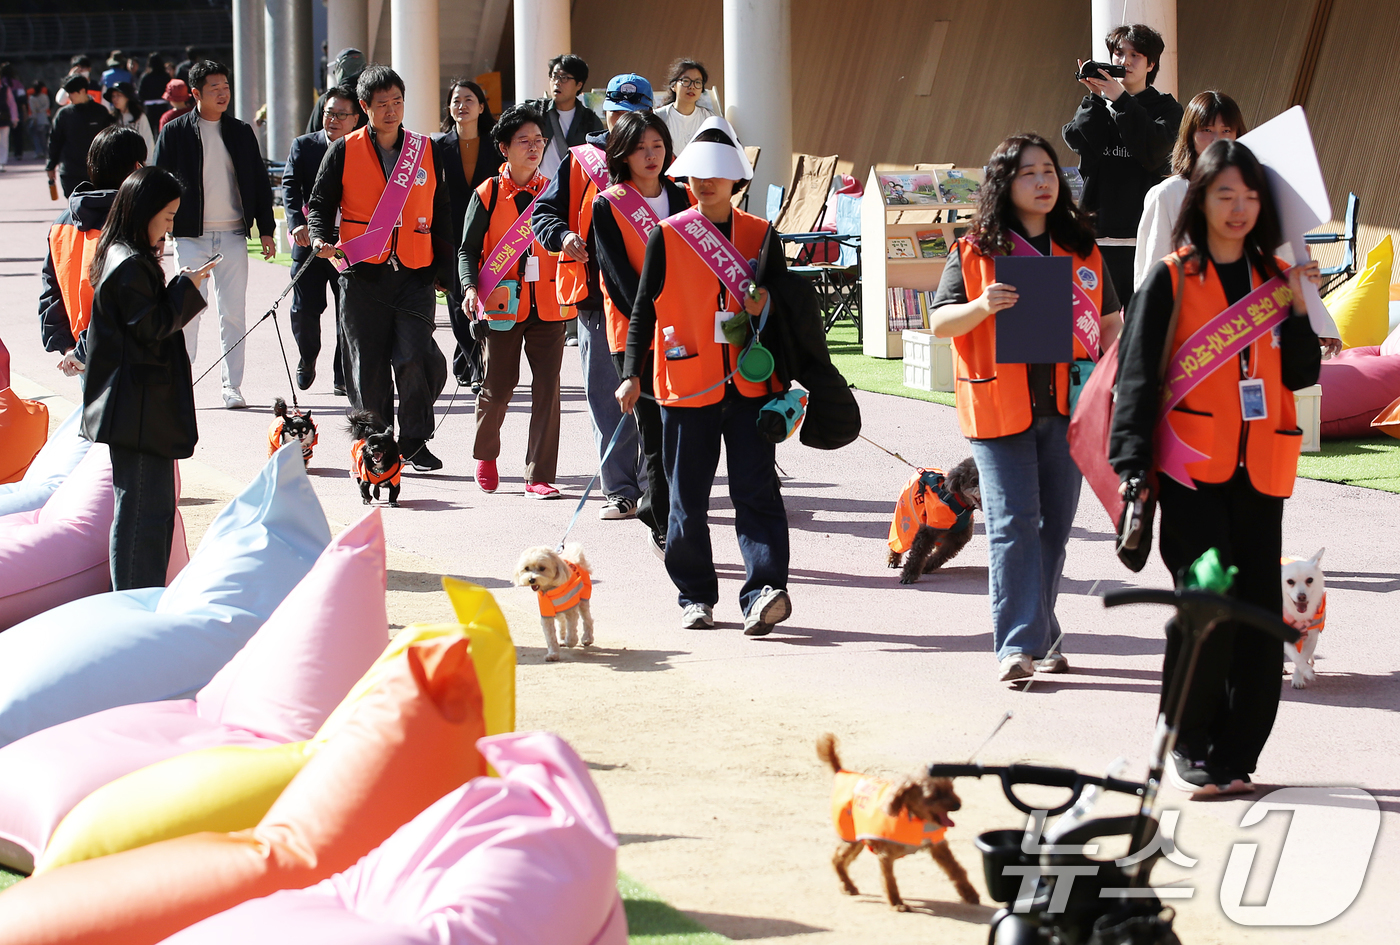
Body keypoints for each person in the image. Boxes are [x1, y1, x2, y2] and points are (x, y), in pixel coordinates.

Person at [1110, 139, 1321, 796]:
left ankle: (1236, 751)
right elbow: (1138, 378)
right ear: (1199, 197)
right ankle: (1188, 740)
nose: (1239, 208)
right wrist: (1134, 467)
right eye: (1226, 194)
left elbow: (1303, 372)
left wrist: (1304, 307)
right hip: (1191, 472)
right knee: (1208, 605)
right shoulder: (1172, 277)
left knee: (1258, 618)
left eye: (1251, 196)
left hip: (1263, 469)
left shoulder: (1275, 282)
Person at [927, 132, 1124, 682]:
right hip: (997, 409)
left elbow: (1111, 322)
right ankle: (1016, 646)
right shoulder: (974, 250)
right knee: (1014, 522)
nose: (1042, 182)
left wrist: (1115, 367)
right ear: (1004, 184)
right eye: (1028, 173)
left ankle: (1043, 631)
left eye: (1049, 172)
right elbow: (940, 321)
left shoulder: (1082, 248)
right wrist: (981, 305)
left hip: (1069, 410)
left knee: (1054, 527)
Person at [615, 117, 793, 636]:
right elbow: (643, 310)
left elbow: (789, 312)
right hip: (685, 384)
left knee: (755, 490)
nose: (706, 184)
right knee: (685, 496)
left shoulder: (762, 236)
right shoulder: (667, 237)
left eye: (718, 175)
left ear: (736, 179)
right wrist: (631, 373)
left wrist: (767, 304)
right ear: (687, 180)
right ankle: (695, 595)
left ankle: (765, 591)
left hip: (750, 384)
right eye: (697, 176)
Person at [308, 64, 452, 472]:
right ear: (365, 107)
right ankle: (375, 443)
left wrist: (446, 268)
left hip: (415, 271)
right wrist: (320, 239)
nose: (392, 111)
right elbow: (319, 204)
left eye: (398, 102)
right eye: (383, 104)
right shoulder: (344, 149)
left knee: (414, 355)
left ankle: (414, 441)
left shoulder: (426, 148)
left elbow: (441, 208)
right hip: (362, 273)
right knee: (366, 364)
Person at [81, 165, 217, 590]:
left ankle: (140, 600)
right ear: (145, 212)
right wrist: (186, 287)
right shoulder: (130, 264)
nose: (170, 228)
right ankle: (134, 604)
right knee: (143, 513)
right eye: (168, 217)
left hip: (138, 409)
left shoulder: (123, 254)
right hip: (137, 411)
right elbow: (151, 327)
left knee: (148, 511)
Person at [532, 73, 655, 526]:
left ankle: (655, 484)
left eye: (634, 113)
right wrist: (562, 235)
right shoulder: (580, 161)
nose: (624, 121)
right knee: (607, 396)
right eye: (617, 113)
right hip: (594, 299)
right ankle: (622, 490)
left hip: (653, 297)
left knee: (656, 394)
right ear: (605, 113)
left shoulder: (663, 159)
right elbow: (543, 211)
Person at [457, 104, 570, 497]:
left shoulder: (555, 189)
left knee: (548, 388)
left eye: (539, 140)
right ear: (504, 147)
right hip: (502, 303)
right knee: (499, 385)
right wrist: (470, 288)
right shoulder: (486, 193)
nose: (534, 147)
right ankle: (485, 455)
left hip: (550, 303)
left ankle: (538, 474)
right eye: (524, 141)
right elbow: (467, 250)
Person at [592, 110, 690, 552]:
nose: (651, 156)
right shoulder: (608, 203)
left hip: (686, 328)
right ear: (623, 155)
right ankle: (662, 519)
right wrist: (657, 312)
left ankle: (674, 510)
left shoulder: (686, 195)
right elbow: (616, 278)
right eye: (639, 148)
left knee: (684, 426)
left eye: (657, 146)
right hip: (634, 330)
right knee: (652, 428)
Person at [153, 59, 276, 410]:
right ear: (195, 94)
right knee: (188, 312)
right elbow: (158, 185)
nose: (223, 94)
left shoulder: (240, 131)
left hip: (234, 235)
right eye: (214, 89)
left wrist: (266, 229)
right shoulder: (174, 132)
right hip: (191, 237)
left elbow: (257, 184)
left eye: (225, 87)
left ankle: (232, 386)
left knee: (233, 312)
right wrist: (159, 234)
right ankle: (181, 382)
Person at [1062, 22, 1182, 310]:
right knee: (1094, 318)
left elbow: (1153, 152)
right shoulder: (1098, 104)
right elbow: (1078, 141)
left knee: (1139, 320)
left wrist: (1121, 100)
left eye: (1135, 56)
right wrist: (1095, 96)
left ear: (1151, 63)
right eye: (1118, 54)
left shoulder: (1167, 109)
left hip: (1142, 234)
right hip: (1096, 232)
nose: (1124, 62)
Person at [40, 125, 149, 377]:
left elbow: (51, 291)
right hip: (125, 347)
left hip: (80, 351)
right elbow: (124, 297)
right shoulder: (128, 221)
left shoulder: (62, 222)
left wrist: (69, 348)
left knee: (93, 414)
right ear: (135, 167)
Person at [282, 85, 358, 394]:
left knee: (349, 309)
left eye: (342, 114)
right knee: (305, 309)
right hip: (309, 244)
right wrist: (297, 223)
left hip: (348, 244)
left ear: (356, 118)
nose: (334, 120)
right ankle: (307, 356)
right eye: (329, 113)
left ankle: (343, 373)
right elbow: (290, 186)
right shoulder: (304, 146)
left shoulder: (363, 149)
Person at [1134, 91, 1245, 290]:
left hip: (1243, 311)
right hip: (1189, 311)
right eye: (1207, 130)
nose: (1217, 139)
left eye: (1226, 130)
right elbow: (1153, 271)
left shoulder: (1252, 191)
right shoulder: (1168, 194)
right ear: (1190, 135)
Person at [433, 77, 502, 391]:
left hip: (489, 235)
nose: (462, 106)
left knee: (484, 297)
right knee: (458, 302)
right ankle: (476, 366)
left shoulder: (496, 145)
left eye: (469, 100)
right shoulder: (438, 147)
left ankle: (470, 359)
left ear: (482, 107)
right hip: (449, 235)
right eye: (456, 100)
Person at [537, 53, 603, 181]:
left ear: (579, 84)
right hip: (539, 191)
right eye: (554, 76)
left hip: (573, 190)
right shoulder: (537, 112)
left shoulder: (590, 121)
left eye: (564, 78)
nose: (557, 82)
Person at [47, 76, 115, 196]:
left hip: (96, 171)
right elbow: (55, 141)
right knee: (74, 208)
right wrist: (51, 166)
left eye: (71, 93)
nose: (68, 97)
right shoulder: (64, 115)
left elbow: (109, 140)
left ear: (82, 91)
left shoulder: (100, 112)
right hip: (70, 172)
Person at [653, 59, 717, 153]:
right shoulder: (659, 117)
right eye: (686, 81)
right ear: (673, 86)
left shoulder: (709, 119)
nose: (692, 87)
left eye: (698, 82)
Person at [305, 48, 367, 134]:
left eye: (341, 114)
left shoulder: (328, 100)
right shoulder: (373, 100)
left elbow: (311, 138)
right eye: (330, 113)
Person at [105, 82, 155, 156]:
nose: (115, 99)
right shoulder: (111, 118)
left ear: (127, 97)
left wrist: (148, 162)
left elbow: (148, 139)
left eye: (119, 95)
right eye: (113, 96)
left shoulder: (139, 116)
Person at [139, 54, 172, 128]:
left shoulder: (145, 76)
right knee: (162, 128)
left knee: (149, 129)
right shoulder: (165, 76)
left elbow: (141, 93)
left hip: (149, 107)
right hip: (163, 105)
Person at [0, 63, 22, 170]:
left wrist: (15, 118)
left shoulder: (5, 88)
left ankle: (2, 162)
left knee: (4, 141)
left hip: (4, 117)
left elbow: (12, 104)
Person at [27, 82, 50, 160]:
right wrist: (42, 110)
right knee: (44, 137)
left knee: (36, 137)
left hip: (36, 118)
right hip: (44, 118)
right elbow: (47, 106)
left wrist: (34, 117)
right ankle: (46, 152)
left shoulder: (31, 98)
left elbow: (33, 110)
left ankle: (39, 151)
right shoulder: (44, 96)